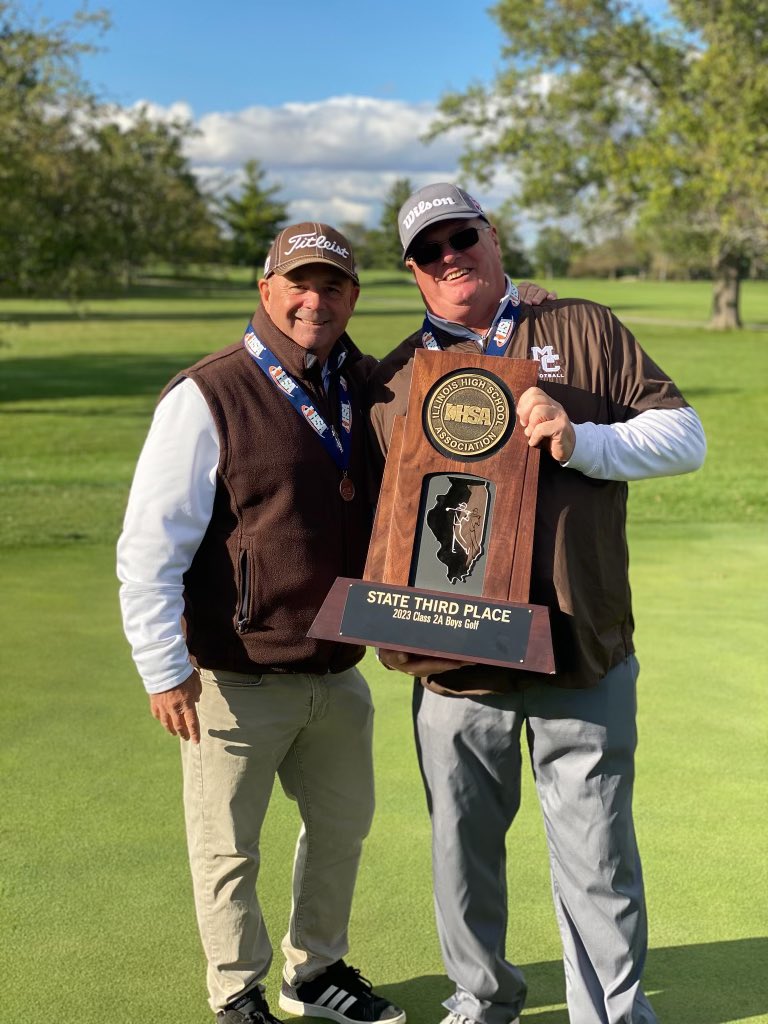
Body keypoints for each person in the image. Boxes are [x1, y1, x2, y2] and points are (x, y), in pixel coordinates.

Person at [368, 184, 707, 1024]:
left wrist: (580, 440)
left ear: (492, 236)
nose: (451, 257)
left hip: (579, 640)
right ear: (414, 271)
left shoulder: (583, 326)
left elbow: (685, 437)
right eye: (430, 249)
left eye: (462, 236)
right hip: (454, 658)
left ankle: (613, 1010)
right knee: (461, 851)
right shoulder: (396, 376)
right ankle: (482, 999)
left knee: (596, 852)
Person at [117, 223, 406, 1024]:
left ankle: (314, 973)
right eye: (300, 283)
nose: (317, 300)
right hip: (234, 675)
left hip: (336, 671)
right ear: (267, 287)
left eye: (335, 286)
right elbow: (149, 545)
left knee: (342, 831)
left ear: (354, 295)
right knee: (226, 853)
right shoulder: (207, 393)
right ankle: (236, 994)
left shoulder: (365, 382)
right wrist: (162, 666)